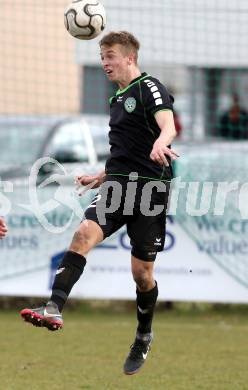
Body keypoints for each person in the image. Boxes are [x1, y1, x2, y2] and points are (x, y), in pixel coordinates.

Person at [20, 31, 178, 375]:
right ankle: (54, 306)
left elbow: (168, 125)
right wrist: (101, 176)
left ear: (129, 58)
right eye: (102, 56)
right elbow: (125, 152)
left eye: (110, 56)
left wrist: (161, 143)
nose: (104, 63)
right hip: (117, 187)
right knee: (82, 235)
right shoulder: (116, 99)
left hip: (150, 191)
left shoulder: (148, 87)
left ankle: (143, 334)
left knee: (142, 275)